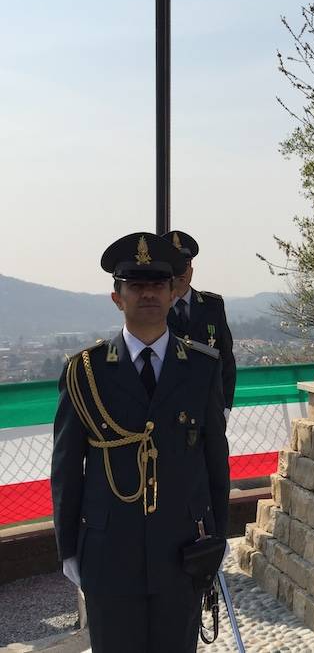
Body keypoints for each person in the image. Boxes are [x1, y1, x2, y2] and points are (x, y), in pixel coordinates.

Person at [50, 232, 230, 653]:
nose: (147, 292)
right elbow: (65, 467)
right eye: (135, 284)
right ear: (117, 297)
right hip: (108, 552)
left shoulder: (202, 368)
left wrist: (218, 536)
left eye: (158, 284)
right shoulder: (86, 373)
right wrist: (67, 549)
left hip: (181, 550)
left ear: (173, 293)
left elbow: (215, 462)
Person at [164, 230, 236, 418]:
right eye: (175, 265)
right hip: (168, 410)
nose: (181, 271)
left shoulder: (213, 306)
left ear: (192, 269)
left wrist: (226, 406)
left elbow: (226, 360)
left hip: (208, 408)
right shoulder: (155, 309)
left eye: (185, 264)